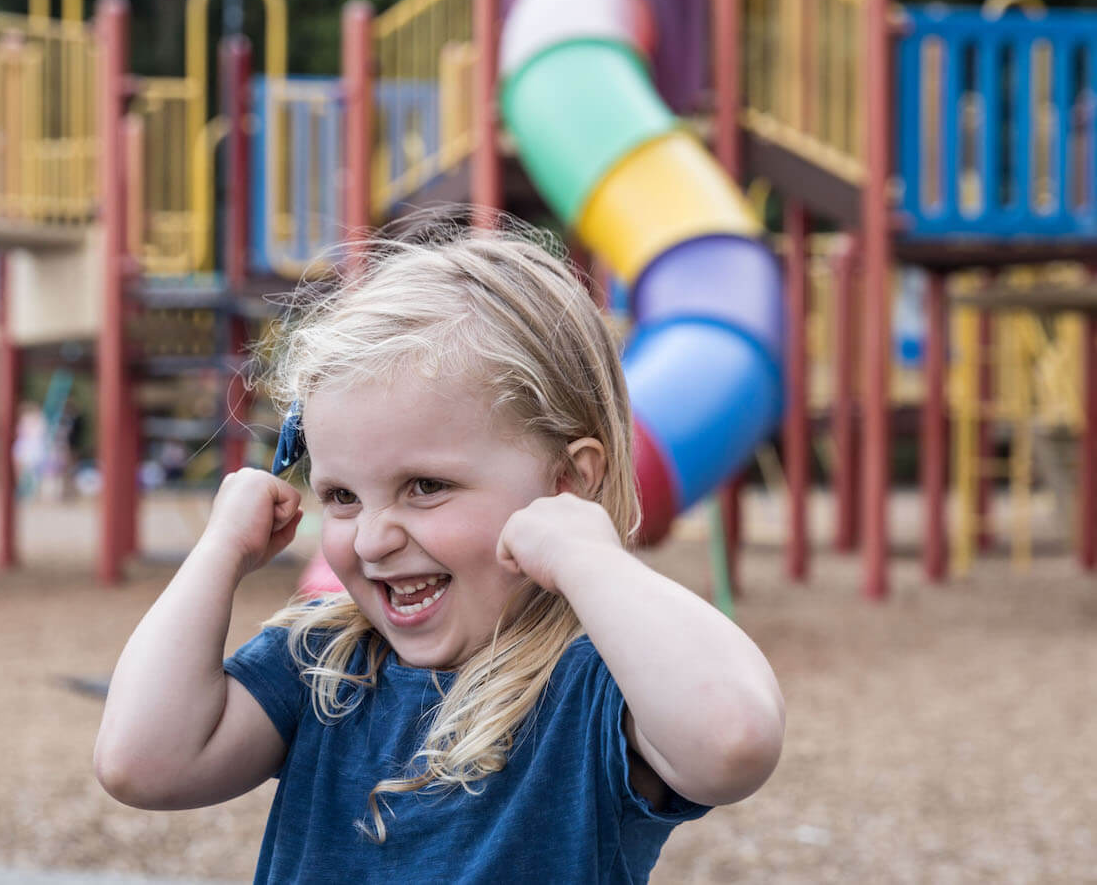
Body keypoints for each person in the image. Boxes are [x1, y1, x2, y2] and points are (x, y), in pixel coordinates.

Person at [94, 217, 785, 883]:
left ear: (569, 481)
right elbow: (141, 762)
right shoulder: (325, 667)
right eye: (341, 497)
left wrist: (592, 558)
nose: (372, 538)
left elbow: (734, 739)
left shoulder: (598, 686)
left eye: (425, 487)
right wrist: (219, 551)